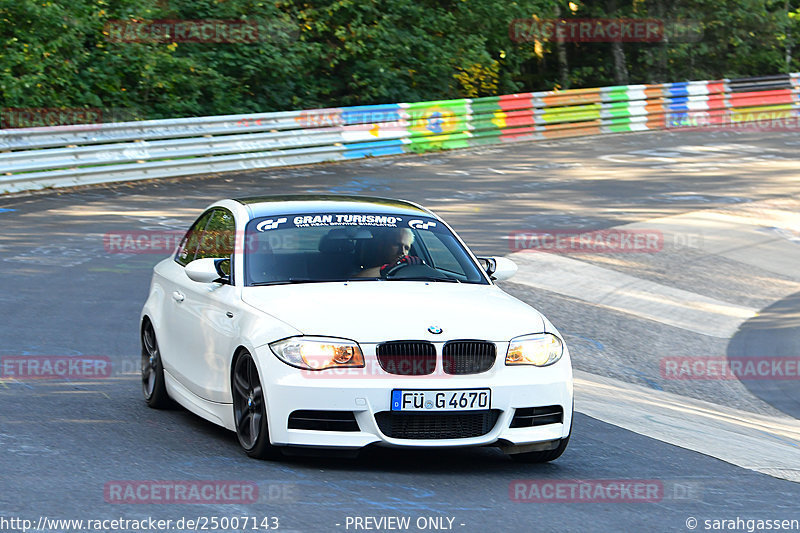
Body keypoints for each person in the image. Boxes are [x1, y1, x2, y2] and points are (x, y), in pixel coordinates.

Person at [353, 226, 418, 278]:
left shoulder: (410, 271)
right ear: (381, 245)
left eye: (406, 248)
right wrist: (388, 268)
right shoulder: (353, 267)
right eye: (397, 245)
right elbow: (352, 282)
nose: (402, 251)